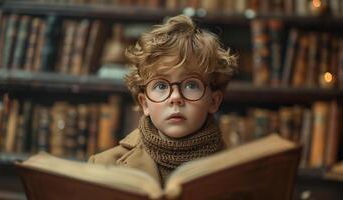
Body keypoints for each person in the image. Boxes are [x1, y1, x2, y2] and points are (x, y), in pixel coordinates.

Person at [88, 14, 238, 185]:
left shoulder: (241, 173)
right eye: (161, 86)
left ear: (213, 101)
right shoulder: (101, 167)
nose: (175, 98)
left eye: (191, 85)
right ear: (145, 103)